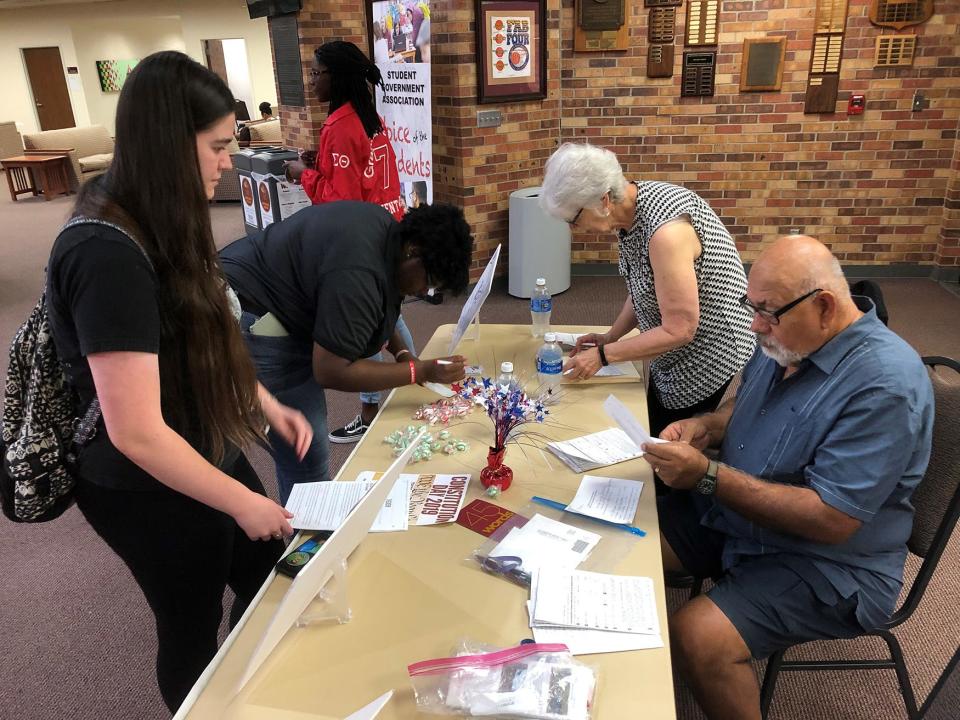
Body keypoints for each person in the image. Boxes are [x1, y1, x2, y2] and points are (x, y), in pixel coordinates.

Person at [44, 51, 312, 712]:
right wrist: (242, 501)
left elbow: (200, 332)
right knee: (190, 626)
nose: (228, 162)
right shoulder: (103, 251)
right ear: (170, 141)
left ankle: (251, 691)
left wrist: (266, 402)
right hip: (142, 481)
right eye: (219, 147)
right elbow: (134, 431)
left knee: (270, 568)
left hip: (196, 441)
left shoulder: (162, 215)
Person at [642, 235, 934, 720]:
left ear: (824, 306)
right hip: (742, 516)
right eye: (750, 307)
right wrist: (706, 426)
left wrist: (709, 477)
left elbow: (832, 519)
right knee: (630, 542)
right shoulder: (786, 336)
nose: (756, 326)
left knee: (698, 636)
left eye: (769, 313)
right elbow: (747, 407)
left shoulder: (885, 385)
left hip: (830, 560)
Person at [220, 200, 473, 502]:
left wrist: (405, 356)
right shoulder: (358, 270)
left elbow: (380, 308)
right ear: (413, 252)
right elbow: (331, 370)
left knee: (302, 446)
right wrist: (420, 371)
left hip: (272, 297)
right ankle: (310, 544)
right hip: (249, 314)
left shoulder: (388, 237)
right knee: (306, 456)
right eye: (429, 282)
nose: (423, 292)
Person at [540, 142, 756, 439]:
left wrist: (603, 356)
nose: (573, 230)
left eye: (573, 219)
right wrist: (611, 336)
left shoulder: (666, 233)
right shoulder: (628, 210)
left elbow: (679, 330)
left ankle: (674, 485)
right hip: (677, 343)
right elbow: (645, 287)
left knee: (670, 443)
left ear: (603, 200)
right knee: (652, 426)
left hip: (710, 350)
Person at [285, 41, 412, 444]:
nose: (312, 80)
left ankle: (371, 412)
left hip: (362, 237)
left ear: (335, 77)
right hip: (388, 222)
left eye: (317, 73)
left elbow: (338, 202)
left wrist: (299, 174)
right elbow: (362, 173)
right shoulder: (367, 115)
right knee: (388, 312)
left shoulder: (339, 127)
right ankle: (421, 377)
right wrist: (319, 161)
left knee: (364, 325)